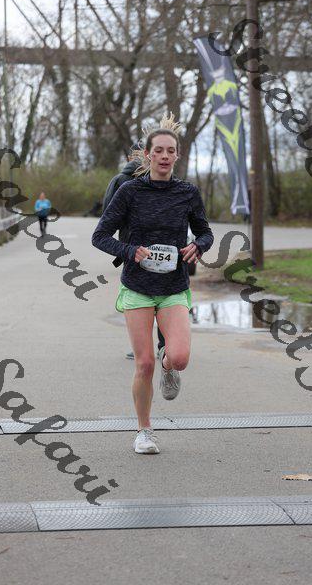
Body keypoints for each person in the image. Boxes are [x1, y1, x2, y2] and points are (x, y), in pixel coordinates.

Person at [92, 112, 214, 454]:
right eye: (158, 150)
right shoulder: (129, 191)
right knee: (142, 363)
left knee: (180, 357)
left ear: (177, 155)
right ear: (147, 155)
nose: (164, 156)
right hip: (137, 287)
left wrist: (198, 246)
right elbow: (100, 235)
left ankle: (168, 367)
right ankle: (144, 432)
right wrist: (130, 251)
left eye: (170, 151)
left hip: (174, 286)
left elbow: (205, 232)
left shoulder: (187, 193)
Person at [103, 144, 166, 360]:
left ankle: (143, 346)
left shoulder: (119, 180)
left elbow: (107, 215)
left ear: (131, 156)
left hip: (133, 247)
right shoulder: (161, 177)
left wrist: (123, 245)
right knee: (163, 294)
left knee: (140, 296)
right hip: (162, 247)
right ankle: (164, 345)